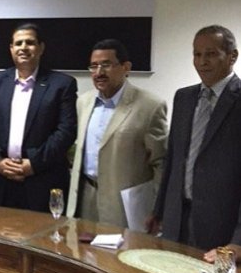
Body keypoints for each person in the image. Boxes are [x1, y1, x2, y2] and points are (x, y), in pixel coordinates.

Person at [150, 25, 241, 260]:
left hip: (222, 226)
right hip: (176, 219)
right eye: (197, 54)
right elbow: (172, 158)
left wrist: (239, 241)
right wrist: (159, 210)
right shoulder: (184, 97)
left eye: (211, 54)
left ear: (232, 56)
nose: (202, 62)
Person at [0, 22, 77, 213]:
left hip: (41, 181)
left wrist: (33, 164)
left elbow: (66, 132)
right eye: (18, 43)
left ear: (41, 48)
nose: (23, 47)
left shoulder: (62, 84)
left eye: (30, 42)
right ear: (11, 48)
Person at [66, 39, 168, 228]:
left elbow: (160, 162)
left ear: (126, 67)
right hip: (85, 198)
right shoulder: (83, 102)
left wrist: (157, 208)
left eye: (106, 65)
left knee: (119, 248)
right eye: (94, 66)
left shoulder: (150, 106)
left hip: (125, 205)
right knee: (80, 246)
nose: (99, 73)